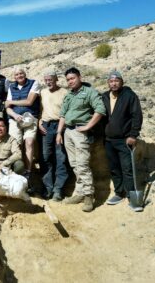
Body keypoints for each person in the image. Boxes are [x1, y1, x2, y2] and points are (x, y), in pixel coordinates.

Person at [56, 67, 106, 212]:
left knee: (82, 164)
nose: (70, 81)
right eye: (68, 80)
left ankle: (89, 196)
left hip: (80, 132)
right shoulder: (69, 95)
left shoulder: (89, 92)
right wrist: (59, 132)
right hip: (68, 132)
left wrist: (87, 126)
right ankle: (80, 193)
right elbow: (63, 115)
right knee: (74, 164)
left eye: (72, 78)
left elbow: (100, 110)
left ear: (79, 77)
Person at [101, 70, 143, 212]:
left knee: (127, 169)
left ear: (121, 82)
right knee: (114, 168)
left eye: (116, 81)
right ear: (108, 83)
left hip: (124, 140)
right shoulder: (105, 96)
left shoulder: (129, 95)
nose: (113, 83)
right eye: (111, 81)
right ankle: (119, 193)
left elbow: (137, 115)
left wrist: (133, 135)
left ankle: (132, 197)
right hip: (108, 140)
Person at [38, 69, 69, 201]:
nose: (48, 82)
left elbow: (67, 112)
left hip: (60, 126)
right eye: (46, 80)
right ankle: (48, 188)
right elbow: (40, 110)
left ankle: (58, 190)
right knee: (45, 157)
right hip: (45, 127)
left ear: (56, 79)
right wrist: (39, 122)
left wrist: (60, 131)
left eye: (50, 79)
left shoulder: (64, 93)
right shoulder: (43, 92)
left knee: (60, 158)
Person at [5, 68, 41, 179]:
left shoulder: (34, 83)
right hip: (15, 119)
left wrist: (11, 102)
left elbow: (29, 101)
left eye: (21, 73)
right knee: (16, 145)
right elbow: (7, 107)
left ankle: (28, 172)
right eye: (16, 74)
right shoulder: (12, 87)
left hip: (30, 118)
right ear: (14, 77)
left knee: (29, 143)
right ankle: (17, 170)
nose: (19, 76)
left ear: (25, 74)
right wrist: (15, 115)